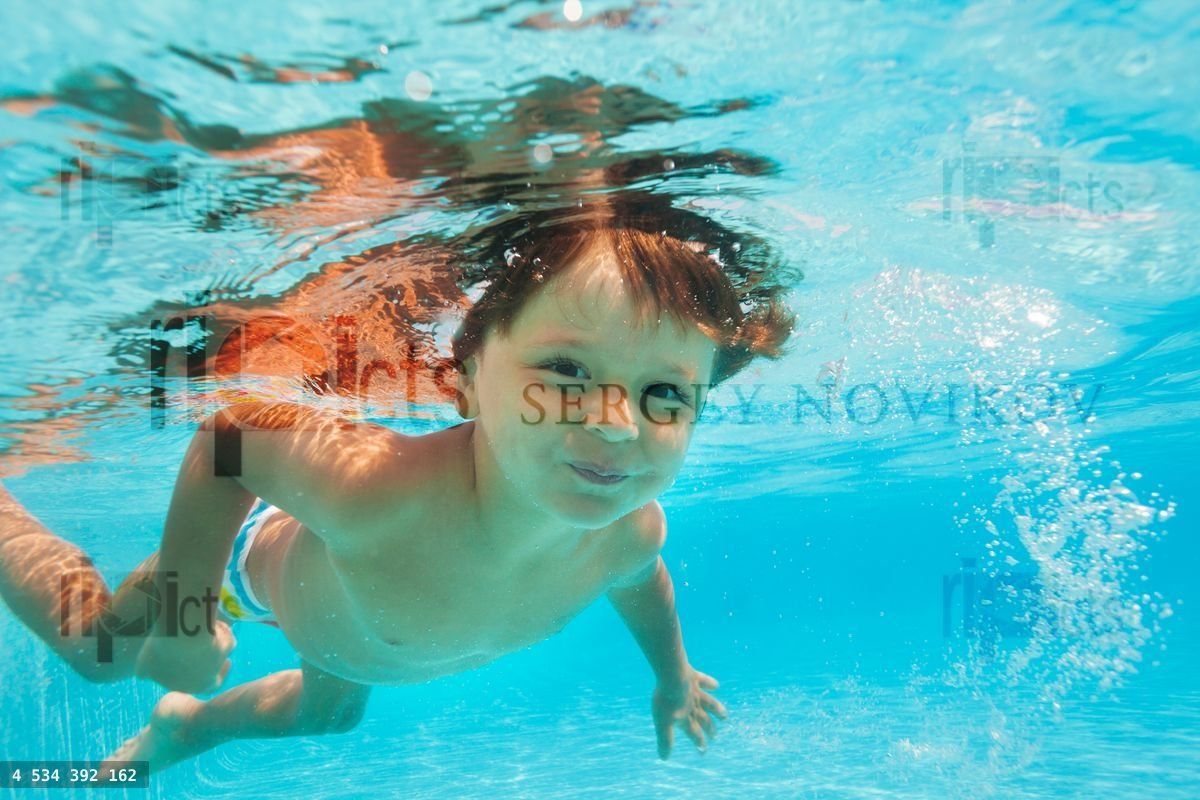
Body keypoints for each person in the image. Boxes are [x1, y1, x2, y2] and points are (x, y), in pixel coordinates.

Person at [0, 201, 794, 774]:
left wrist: (673, 677)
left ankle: (186, 730)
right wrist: (184, 610)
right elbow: (228, 437)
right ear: (468, 376)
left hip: (357, 632)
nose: (619, 422)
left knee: (331, 715)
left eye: (666, 394)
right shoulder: (374, 493)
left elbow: (643, 587)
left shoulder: (631, 531)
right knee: (101, 654)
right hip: (254, 563)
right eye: (567, 370)